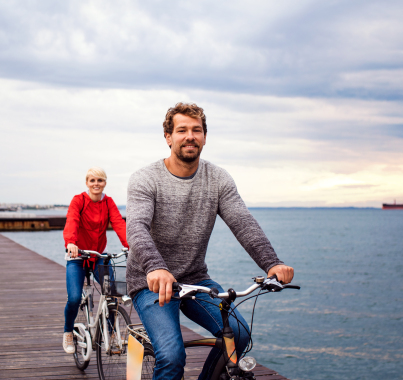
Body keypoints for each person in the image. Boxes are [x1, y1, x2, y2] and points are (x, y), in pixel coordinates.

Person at [126, 103, 295, 380]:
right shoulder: (146, 179)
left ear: (204, 136)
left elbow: (243, 223)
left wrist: (272, 263)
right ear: (168, 137)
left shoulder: (218, 178)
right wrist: (155, 266)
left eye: (197, 130)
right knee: (171, 357)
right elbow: (137, 228)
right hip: (151, 281)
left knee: (239, 335)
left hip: (194, 279)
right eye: (182, 130)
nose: (190, 136)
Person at [62, 167, 129, 354]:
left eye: (100, 180)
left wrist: (130, 244)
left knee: (114, 293)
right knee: (74, 298)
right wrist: (71, 243)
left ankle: (111, 332)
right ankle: (68, 331)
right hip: (78, 256)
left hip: (98, 256)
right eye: (92, 180)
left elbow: (118, 223)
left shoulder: (108, 203)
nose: (96, 184)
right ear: (87, 183)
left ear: (105, 183)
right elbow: (72, 221)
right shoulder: (79, 201)